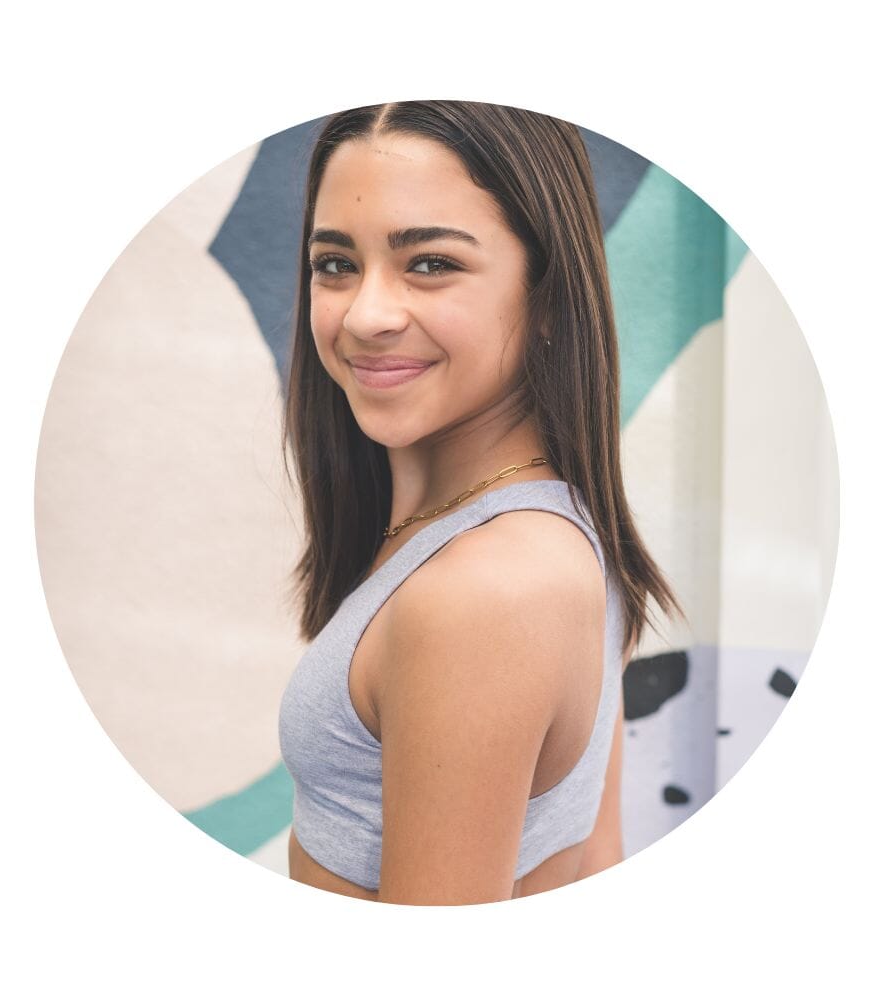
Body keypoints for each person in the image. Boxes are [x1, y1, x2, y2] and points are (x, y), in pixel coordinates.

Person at [277, 101, 684, 906]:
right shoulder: (555, 527)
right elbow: (596, 857)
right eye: (335, 264)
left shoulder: (483, 594)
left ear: (546, 294)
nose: (365, 314)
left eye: (429, 263)